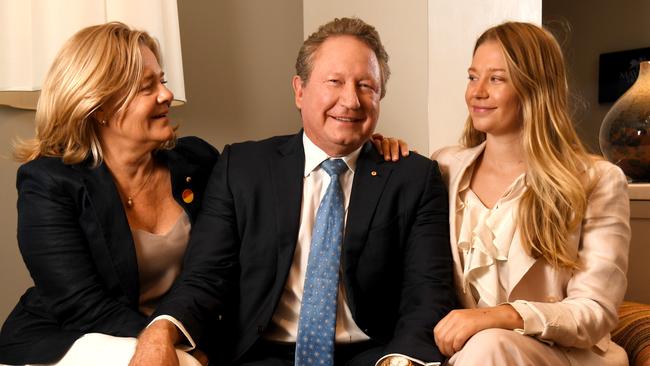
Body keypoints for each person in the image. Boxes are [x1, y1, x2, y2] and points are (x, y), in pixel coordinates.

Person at [130, 17, 455, 366]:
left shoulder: (414, 177)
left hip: (374, 355)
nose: (351, 100)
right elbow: (206, 276)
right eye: (335, 82)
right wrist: (161, 330)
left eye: (366, 86)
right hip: (263, 354)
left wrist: (403, 358)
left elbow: (428, 291)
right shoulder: (242, 167)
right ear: (299, 91)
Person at [0, 22, 219, 365]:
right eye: (147, 87)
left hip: (174, 336)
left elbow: (221, 267)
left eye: (161, 80)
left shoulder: (199, 162)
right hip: (68, 338)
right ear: (99, 106)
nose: (165, 95)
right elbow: (80, 304)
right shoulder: (48, 181)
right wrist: (176, 348)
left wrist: (176, 336)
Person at [430, 21, 630, 365]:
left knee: (489, 345)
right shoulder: (445, 167)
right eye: (472, 76)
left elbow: (594, 311)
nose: (477, 92)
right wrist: (381, 148)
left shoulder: (597, 180)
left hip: (564, 355)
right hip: (466, 356)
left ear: (535, 88)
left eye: (496, 79)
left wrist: (498, 316)